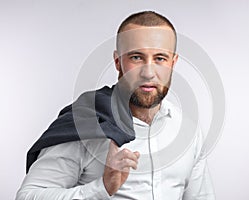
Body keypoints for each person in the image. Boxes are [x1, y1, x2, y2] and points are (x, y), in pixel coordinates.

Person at [16, 11, 215, 200]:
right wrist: (101, 188)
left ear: (173, 62)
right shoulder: (86, 122)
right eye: (136, 57)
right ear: (118, 61)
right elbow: (27, 196)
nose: (148, 72)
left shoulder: (187, 129)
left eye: (160, 59)